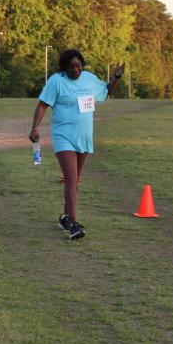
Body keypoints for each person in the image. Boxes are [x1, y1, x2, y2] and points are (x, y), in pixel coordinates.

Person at [29, 50, 124, 240]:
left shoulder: (88, 79)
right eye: (71, 67)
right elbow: (42, 105)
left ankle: (65, 217)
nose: (76, 70)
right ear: (64, 67)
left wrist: (116, 77)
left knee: (75, 180)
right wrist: (35, 128)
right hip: (64, 136)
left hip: (84, 136)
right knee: (71, 179)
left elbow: (107, 90)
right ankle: (73, 223)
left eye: (78, 66)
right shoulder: (56, 81)